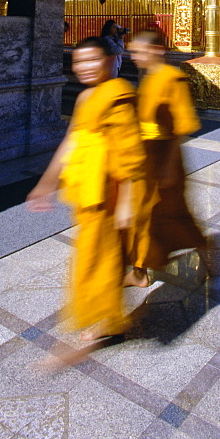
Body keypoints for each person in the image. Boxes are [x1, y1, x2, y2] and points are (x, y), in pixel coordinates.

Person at [26, 36, 145, 365]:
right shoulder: (85, 98)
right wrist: (46, 184)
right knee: (93, 253)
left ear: (112, 60)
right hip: (89, 185)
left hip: (113, 187)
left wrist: (126, 201)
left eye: (93, 60)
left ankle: (110, 320)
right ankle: (107, 312)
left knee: (103, 255)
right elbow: (71, 141)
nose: (85, 67)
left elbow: (132, 152)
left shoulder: (120, 94)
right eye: (79, 61)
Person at [126, 29, 211, 287]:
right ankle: (139, 271)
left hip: (166, 158)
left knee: (175, 215)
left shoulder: (174, 79)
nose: (134, 58)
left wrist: (167, 166)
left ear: (156, 51)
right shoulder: (150, 78)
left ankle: (206, 253)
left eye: (138, 52)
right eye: (133, 53)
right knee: (142, 218)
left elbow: (180, 129)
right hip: (146, 158)